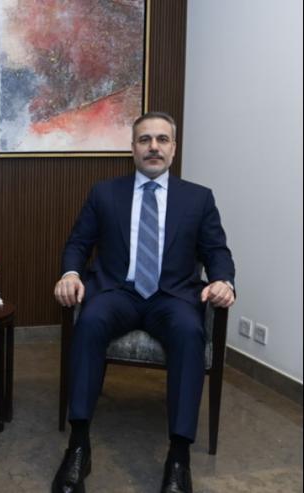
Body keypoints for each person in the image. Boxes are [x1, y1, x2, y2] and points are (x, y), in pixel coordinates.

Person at [52, 112, 235, 493]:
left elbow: (216, 250)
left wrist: (223, 280)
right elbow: (78, 243)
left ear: (173, 148)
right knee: (89, 323)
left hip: (173, 297)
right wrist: (70, 274)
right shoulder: (105, 193)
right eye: (145, 139)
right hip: (117, 293)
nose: (154, 147)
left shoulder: (198, 198)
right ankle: (79, 446)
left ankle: (178, 458)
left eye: (162, 140)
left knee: (189, 332)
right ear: (132, 148)